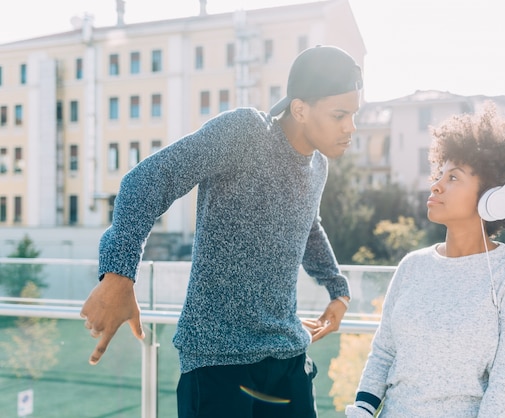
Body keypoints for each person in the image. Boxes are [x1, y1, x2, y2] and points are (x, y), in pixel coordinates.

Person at [80, 45, 362, 418]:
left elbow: (309, 226)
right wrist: (119, 274)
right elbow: (148, 180)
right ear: (300, 109)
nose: (350, 128)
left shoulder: (318, 167)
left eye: (354, 114)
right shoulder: (245, 132)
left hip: (287, 359)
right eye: (339, 115)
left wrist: (338, 291)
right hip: (218, 365)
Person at [345, 102, 505, 418]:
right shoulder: (412, 266)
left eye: (453, 178)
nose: (436, 184)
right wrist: (361, 409)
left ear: (493, 197)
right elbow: (384, 352)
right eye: (440, 173)